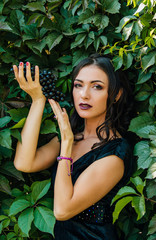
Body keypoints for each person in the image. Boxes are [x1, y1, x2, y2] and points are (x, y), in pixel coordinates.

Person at [13, 53, 133, 240]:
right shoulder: (73, 136)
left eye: (97, 87)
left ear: (116, 94)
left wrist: (67, 145)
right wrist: (38, 101)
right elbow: (24, 163)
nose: (84, 94)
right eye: (78, 85)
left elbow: (62, 210)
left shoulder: (115, 154)